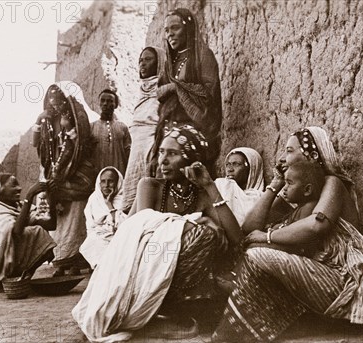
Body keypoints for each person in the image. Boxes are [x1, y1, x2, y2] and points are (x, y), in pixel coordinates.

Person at [72, 125, 242, 342]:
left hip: (173, 277)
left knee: (208, 237)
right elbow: (145, 232)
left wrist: (210, 186)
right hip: (139, 271)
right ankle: (152, 313)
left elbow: (236, 239)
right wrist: (200, 220)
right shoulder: (150, 186)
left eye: (172, 154)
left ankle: (173, 311)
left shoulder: (202, 195)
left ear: (192, 160)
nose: (163, 160)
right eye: (162, 152)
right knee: (202, 233)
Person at [212, 126, 363, 342]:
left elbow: (315, 226)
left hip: (341, 279)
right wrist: (276, 184)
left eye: (290, 151)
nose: (283, 156)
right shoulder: (298, 189)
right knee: (252, 251)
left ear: (312, 155)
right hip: (316, 273)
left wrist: (266, 237)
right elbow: (250, 228)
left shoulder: (332, 184)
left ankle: (232, 332)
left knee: (257, 254)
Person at [148, 8, 223, 177]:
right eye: (166, 30)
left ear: (188, 28)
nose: (170, 34)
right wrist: (156, 151)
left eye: (175, 28)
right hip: (168, 140)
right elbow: (162, 108)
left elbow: (207, 96)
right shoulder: (169, 65)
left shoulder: (202, 56)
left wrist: (176, 87)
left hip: (194, 140)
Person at [32, 81, 96, 276]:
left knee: (76, 222)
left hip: (77, 175)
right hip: (56, 176)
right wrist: (39, 120)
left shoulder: (77, 118)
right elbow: (38, 145)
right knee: (59, 222)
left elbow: (76, 149)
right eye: (52, 103)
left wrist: (60, 176)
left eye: (59, 102)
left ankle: (76, 261)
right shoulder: (48, 120)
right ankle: (61, 260)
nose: (55, 106)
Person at [0, 173, 56, 290]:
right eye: (13, 185)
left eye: (18, 185)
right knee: (35, 232)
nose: (19, 188)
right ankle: (1, 278)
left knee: (40, 233)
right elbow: (16, 231)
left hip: (4, 260)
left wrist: (51, 197)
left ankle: (17, 277)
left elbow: (50, 225)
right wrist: (29, 196)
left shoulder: (19, 206)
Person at [122, 46, 166, 212]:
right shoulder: (141, 90)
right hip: (137, 146)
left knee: (150, 188)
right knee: (132, 190)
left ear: (159, 63)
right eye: (141, 60)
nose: (143, 63)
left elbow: (163, 122)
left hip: (152, 143)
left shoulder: (164, 89)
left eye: (148, 59)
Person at [79, 167, 126, 269]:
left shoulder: (124, 199)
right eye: (103, 182)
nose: (106, 185)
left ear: (118, 182)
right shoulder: (94, 199)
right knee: (92, 243)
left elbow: (123, 226)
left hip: (119, 238)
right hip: (99, 238)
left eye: (111, 181)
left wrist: (109, 204)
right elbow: (91, 226)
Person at [214, 147, 265, 225]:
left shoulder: (261, 198)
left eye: (236, 164)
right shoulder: (220, 186)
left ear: (251, 168)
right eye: (227, 164)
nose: (230, 169)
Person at [90, 89, 132, 176]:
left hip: (119, 174)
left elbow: (128, 153)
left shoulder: (123, 127)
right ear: (99, 103)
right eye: (103, 100)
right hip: (96, 175)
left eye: (110, 101)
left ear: (115, 105)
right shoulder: (91, 127)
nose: (105, 103)